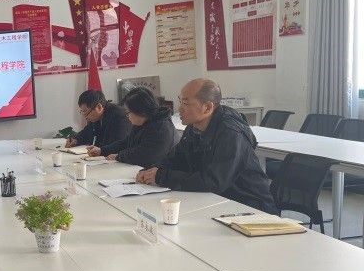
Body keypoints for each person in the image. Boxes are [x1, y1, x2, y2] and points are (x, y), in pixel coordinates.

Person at [136, 79, 277, 213]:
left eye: (186, 103)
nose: (180, 108)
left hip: (250, 207)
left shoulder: (230, 133)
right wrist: (152, 171)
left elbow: (213, 181)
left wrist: (161, 176)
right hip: (217, 201)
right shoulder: (194, 127)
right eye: (180, 101)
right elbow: (175, 159)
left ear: (208, 107)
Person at [86, 87, 174, 167]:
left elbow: (144, 155)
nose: (127, 116)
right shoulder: (143, 122)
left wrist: (119, 156)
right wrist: (102, 150)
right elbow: (127, 142)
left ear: (140, 111)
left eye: (128, 113)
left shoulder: (161, 128)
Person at [65, 89, 131, 149]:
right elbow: (87, 132)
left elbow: (116, 145)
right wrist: (76, 139)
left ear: (99, 107)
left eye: (86, 112)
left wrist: (99, 151)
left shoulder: (119, 117)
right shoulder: (96, 117)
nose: (85, 117)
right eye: (82, 112)